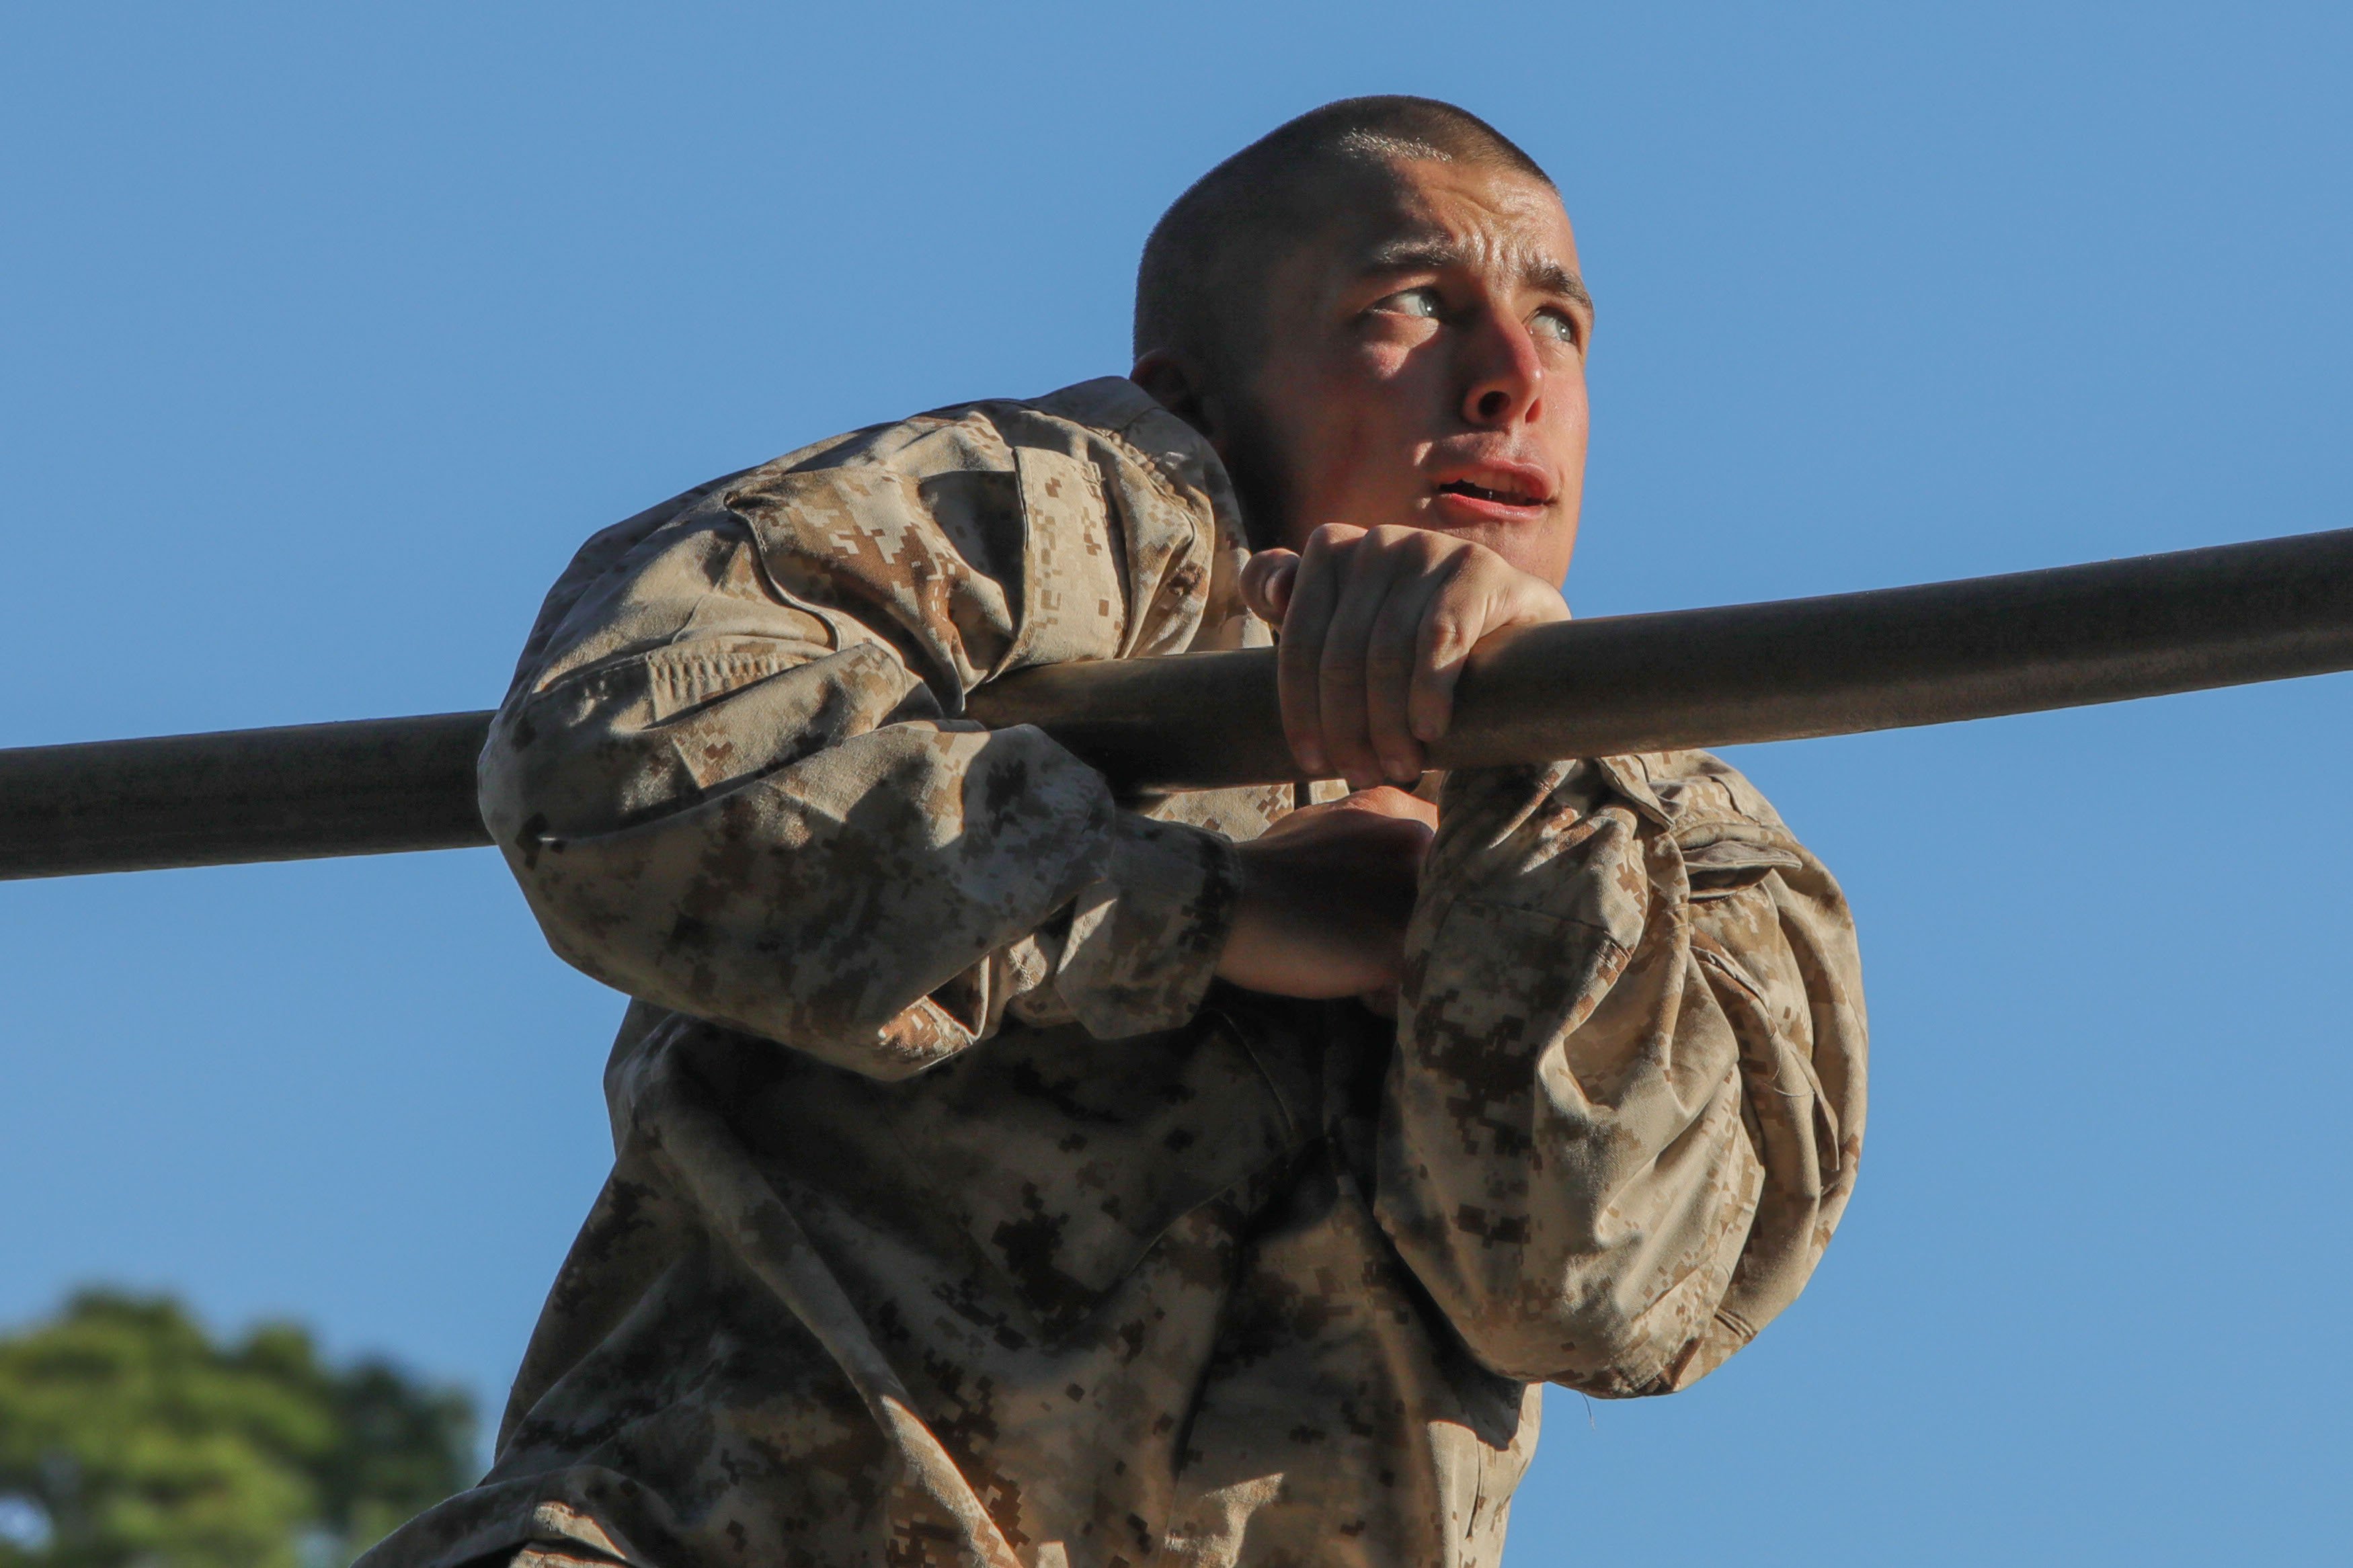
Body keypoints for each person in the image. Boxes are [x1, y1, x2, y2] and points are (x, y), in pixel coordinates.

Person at [364, 95, 1867, 1568]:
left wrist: (1525, 762)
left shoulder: (1674, 831)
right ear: (1195, 395)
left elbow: (1597, 1290)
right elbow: (624, 750)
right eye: (1410, 304)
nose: (1505, 383)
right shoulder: (1067, 532)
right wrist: (1209, 913)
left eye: (1559, 323)